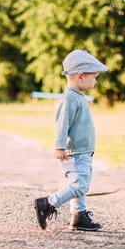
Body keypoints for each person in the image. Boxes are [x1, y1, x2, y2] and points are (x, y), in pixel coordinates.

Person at [34, 49, 108, 231]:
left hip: (83, 151)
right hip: (75, 152)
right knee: (79, 185)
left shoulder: (77, 96)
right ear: (80, 76)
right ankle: (48, 203)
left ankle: (79, 216)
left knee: (81, 185)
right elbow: (61, 124)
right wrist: (59, 147)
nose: (95, 81)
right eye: (94, 77)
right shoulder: (69, 99)